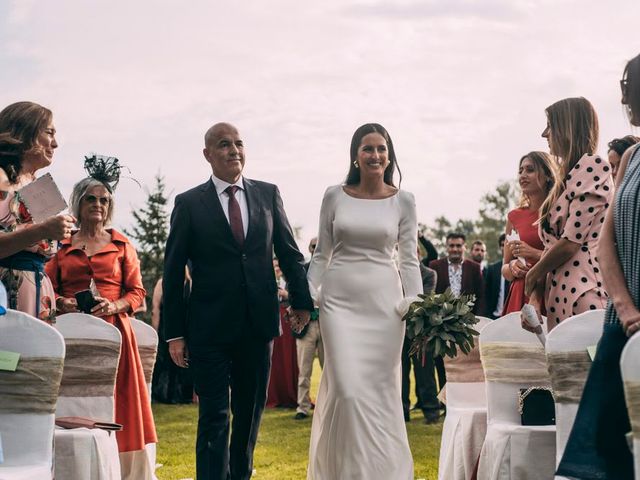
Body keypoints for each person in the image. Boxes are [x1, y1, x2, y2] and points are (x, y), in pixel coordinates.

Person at [162, 122, 312, 480]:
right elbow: (172, 271)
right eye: (224, 144)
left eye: (239, 143)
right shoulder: (189, 203)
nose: (234, 150)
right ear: (207, 154)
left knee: (249, 416)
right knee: (213, 416)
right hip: (208, 329)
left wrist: (303, 302)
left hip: (257, 326)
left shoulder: (268, 194)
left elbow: (289, 254)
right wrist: (175, 334)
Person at [307, 123, 422, 479]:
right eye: (367, 149)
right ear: (355, 156)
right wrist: (309, 295)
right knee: (346, 390)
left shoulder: (404, 200)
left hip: (385, 307)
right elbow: (322, 254)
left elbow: (408, 259)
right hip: (339, 303)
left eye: (381, 149)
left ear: (390, 155)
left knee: (382, 394)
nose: (375, 155)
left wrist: (416, 304)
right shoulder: (334, 195)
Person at [556, 52, 640, 480]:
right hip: (622, 323)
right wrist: (624, 308)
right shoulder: (630, 160)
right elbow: (605, 245)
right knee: (602, 455)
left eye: (630, 87)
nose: (624, 97)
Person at [46, 158, 157, 478]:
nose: (98, 204)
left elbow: (138, 293)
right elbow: (48, 288)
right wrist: (63, 302)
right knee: (73, 402)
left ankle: (120, 470)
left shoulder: (123, 245)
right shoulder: (61, 245)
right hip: (71, 334)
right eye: (91, 198)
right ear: (78, 203)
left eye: (104, 200)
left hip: (115, 334)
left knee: (119, 402)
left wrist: (114, 305)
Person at [524, 98, 612, 330]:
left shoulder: (593, 167)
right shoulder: (566, 180)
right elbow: (550, 249)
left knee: (585, 365)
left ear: (568, 128)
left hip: (584, 292)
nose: (545, 134)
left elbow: (571, 242)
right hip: (557, 297)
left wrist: (533, 273)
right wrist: (535, 299)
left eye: (550, 126)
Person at [0, 101, 75, 321]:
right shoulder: (1, 177)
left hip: (38, 292)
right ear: (24, 131)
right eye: (49, 132)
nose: (56, 144)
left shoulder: (35, 184)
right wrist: (42, 230)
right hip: (6, 293)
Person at [502, 151, 559, 314]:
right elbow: (504, 268)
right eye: (520, 171)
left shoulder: (559, 212)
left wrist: (534, 253)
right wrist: (512, 267)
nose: (523, 175)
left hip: (552, 291)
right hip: (520, 292)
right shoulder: (514, 217)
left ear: (548, 175)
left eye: (530, 170)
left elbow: (570, 257)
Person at [402, 243, 439, 423]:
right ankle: (402, 412)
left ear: (417, 254)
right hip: (399, 330)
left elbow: (423, 299)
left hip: (421, 331)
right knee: (401, 373)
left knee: (425, 373)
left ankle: (431, 412)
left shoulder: (429, 274)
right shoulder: (395, 274)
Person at [151, 265, 194, 404]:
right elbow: (155, 311)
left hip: (171, 329)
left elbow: (155, 310)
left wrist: (155, 331)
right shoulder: (189, 284)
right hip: (176, 329)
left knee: (170, 362)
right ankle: (175, 395)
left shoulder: (163, 283)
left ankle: (167, 395)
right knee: (171, 362)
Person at [294, 237, 324, 420]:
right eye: (314, 246)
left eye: (320, 246)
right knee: (304, 371)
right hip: (307, 326)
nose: (317, 249)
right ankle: (302, 407)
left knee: (328, 369)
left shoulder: (331, 269)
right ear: (309, 248)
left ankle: (325, 407)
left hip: (326, 324)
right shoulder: (302, 270)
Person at [266, 259, 299, 408]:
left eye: (279, 265)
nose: (277, 268)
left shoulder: (289, 281)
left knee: (287, 359)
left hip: (287, 324)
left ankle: (290, 395)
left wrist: (286, 294)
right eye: (274, 266)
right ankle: (273, 396)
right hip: (271, 321)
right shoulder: (265, 279)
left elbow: (299, 298)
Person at [429, 233, 485, 314]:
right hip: (440, 318)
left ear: (464, 247)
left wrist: (478, 318)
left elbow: (481, 295)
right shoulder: (435, 266)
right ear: (446, 247)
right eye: (451, 246)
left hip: (467, 318)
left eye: (458, 246)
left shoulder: (474, 267)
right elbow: (430, 295)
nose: (455, 249)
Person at [484, 233, 510, 319]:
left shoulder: (521, 267)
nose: (505, 247)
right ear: (500, 248)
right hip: (494, 317)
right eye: (503, 245)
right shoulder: (492, 269)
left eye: (508, 244)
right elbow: (486, 294)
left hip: (512, 318)